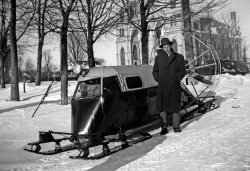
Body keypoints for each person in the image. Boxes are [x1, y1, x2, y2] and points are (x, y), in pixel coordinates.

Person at [152, 38, 187, 135]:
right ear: (162, 48)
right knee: (162, 108)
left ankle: (176, 127)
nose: (166, 49)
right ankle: (164, 128)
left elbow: (182, 71)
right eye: (164, 47)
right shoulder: (158, 58)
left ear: (171, 46)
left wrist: (176, 78)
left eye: (168, 46)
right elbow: (155, 71)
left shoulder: (179, 57)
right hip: (162, 86)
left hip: (174, 85)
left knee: (175, 107)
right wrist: (159, 78)